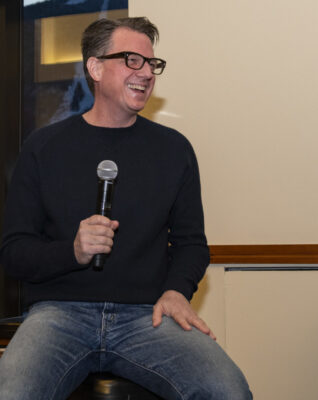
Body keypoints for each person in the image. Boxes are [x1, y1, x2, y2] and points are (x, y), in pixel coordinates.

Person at [0, 17, 252, 400]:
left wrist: (175, 291)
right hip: (59, 314)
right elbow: (14, 253)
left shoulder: (173, 149)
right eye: (133, 60)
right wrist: (73, 251)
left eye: (152, 64)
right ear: (95, 68)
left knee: (228, 390)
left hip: (147, 316)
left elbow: (191, 244)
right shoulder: (44, 147)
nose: (147, 73)